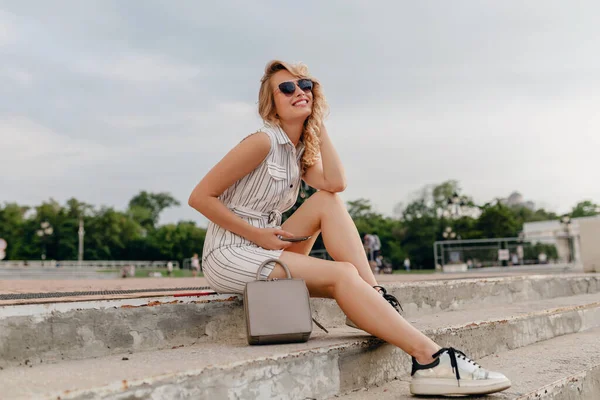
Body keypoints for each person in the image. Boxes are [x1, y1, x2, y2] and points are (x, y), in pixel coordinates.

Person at [188, 60, 510, 396]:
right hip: (231, 253)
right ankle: (430, 360)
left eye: (305, 85)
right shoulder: (262, 142)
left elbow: (336, 183)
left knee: (327, 201)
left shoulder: (298, 152)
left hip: (268, 246)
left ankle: (373, 297)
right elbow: (199, 197)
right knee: (342, 273)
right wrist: (256, 235)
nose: (298, 91)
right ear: (272, 104)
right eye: (287, 88)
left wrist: (318, 124)